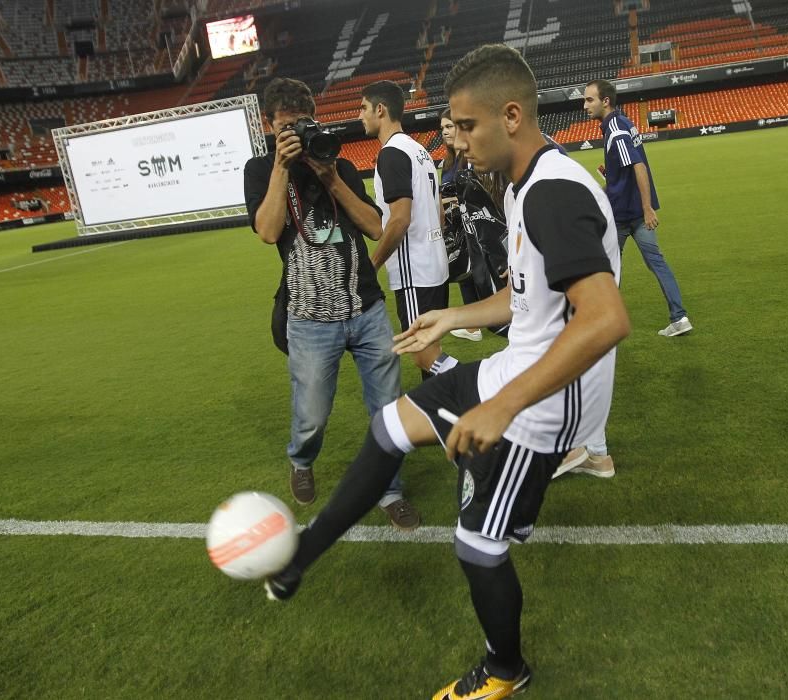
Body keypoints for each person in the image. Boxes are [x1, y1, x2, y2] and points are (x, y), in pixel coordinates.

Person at [263, 45, 630, 700]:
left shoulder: (551, 194)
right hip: (518, 369)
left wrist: (503, 407)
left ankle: (504, 668)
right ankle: (303, 556)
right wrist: (453, 317)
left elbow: (603, 320)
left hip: (544, 406)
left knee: (477, 545)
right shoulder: (526, 182)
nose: (454, 143)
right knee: (389, 427)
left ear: (511, 115)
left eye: (465, 126)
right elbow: (527, 298)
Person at [243, 77, 420, 530]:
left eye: (303, 125)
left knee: (387, 407)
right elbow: (267, 231)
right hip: (308, 318)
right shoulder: (259, 170)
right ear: (270, 128)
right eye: (286, 129)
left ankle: (392, 490)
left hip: (366, 308)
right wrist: (283, 167)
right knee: (312, 413)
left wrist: (330, 177)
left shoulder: (336, 163)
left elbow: (376, 227)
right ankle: (302, 459)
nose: (297, 135)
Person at [360, 80, 459, 380]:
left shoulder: (391, 154)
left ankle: (480, 384)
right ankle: (443, 417)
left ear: (380, 109)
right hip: (434, 264)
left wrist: (372, 265)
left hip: (415, 270)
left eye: (363, 108)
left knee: (422, 355)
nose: (359, 116)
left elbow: (400, 219)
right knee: (429, 350)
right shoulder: (419, 150)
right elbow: (438, 212)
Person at [583, 78, 693, 337]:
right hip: (631, 210)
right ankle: (680, 318)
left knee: (607, 265)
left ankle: (603, 322)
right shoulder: (623, 123)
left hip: (625, 215)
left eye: (590, 100)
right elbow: (627, 169)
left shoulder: (616, 130)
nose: (585, 105)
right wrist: (608, 182)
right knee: (656, 263)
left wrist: (647, 208)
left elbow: (638, 166)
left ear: (605, 101)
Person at [441, 108, 484, 342]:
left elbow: (475, 192)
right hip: (457, 227)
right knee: (464, 273)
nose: (445, 132)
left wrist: (447, 200)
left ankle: (491, 321)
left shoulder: (470, 157)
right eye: (442, 128)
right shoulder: (449, 161)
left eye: (449, 126)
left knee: (479, 273)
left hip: (474, 224)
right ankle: (473, 325)